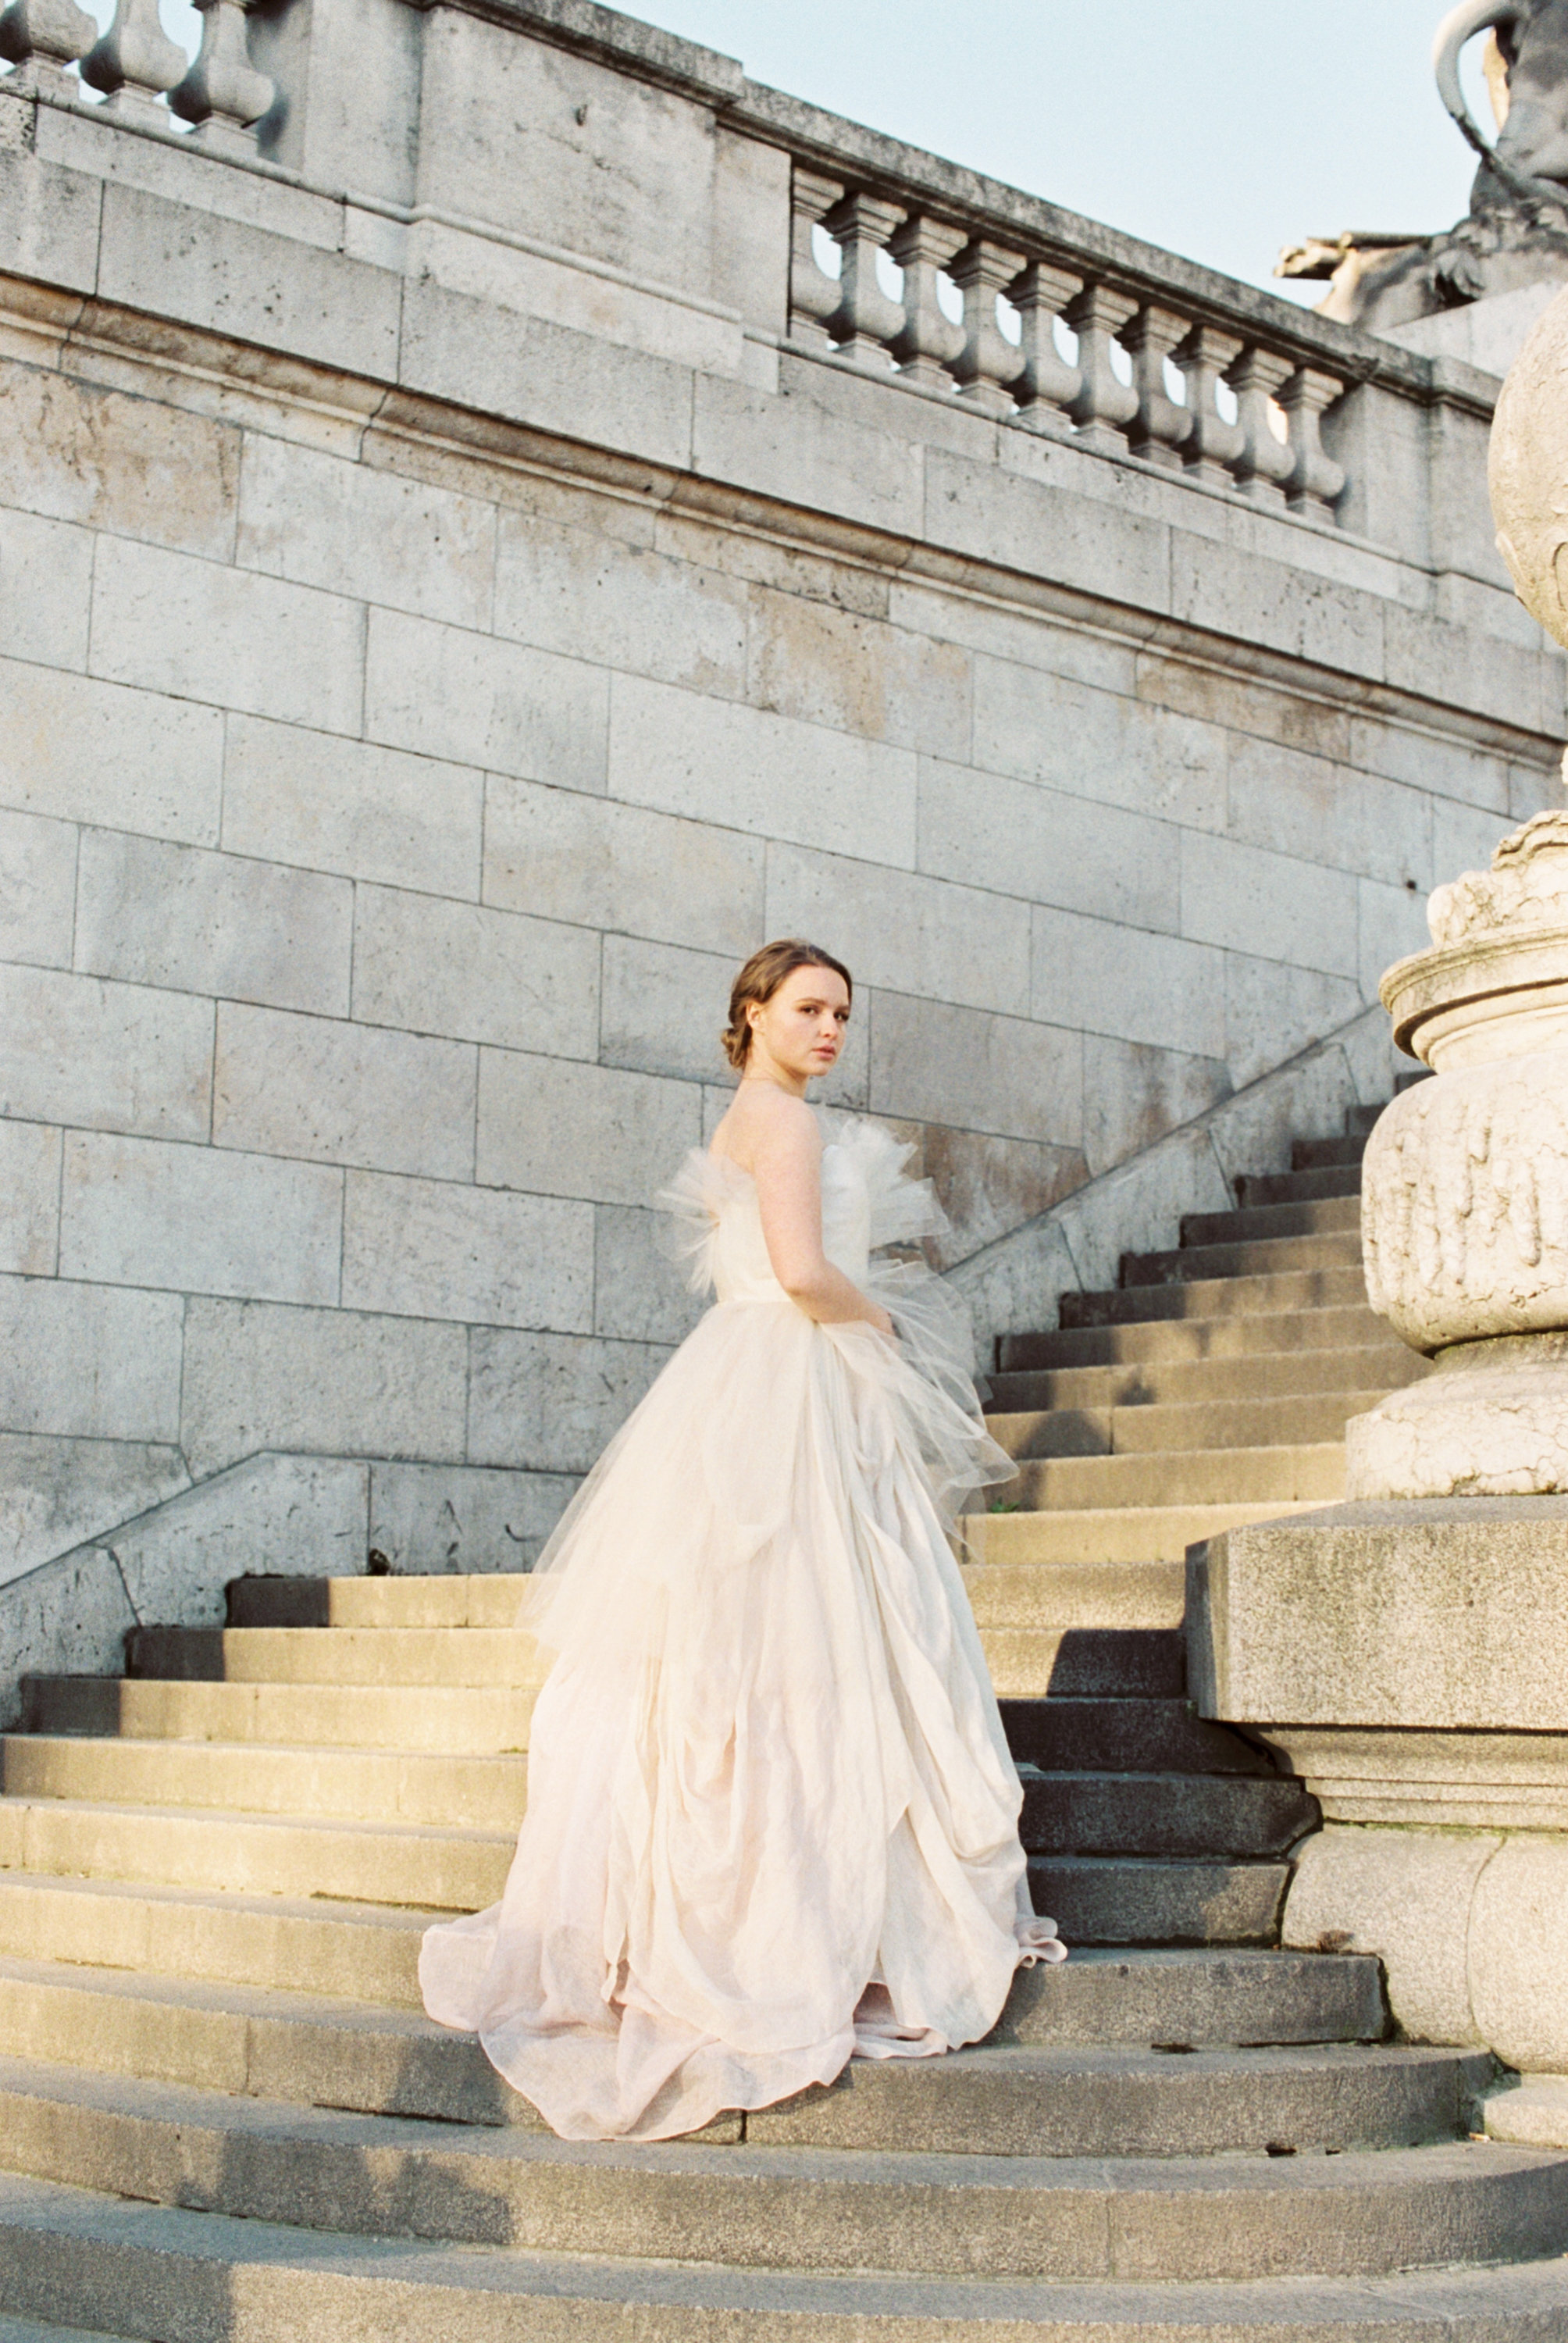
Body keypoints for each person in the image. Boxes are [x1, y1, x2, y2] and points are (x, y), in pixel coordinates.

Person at [419, 938, 1066, 2142]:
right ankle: (792, 1918)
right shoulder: (792, 1128)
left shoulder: (741, 1118)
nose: (830, 1031)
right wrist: (883, 1320)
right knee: (817, 1630)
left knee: (753, 1639)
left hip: (741, 1376)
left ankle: (713, 1905)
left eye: (843, 1016)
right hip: (791, 1375)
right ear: (753, 1012)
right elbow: (801, 1271)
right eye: (810, 1010)